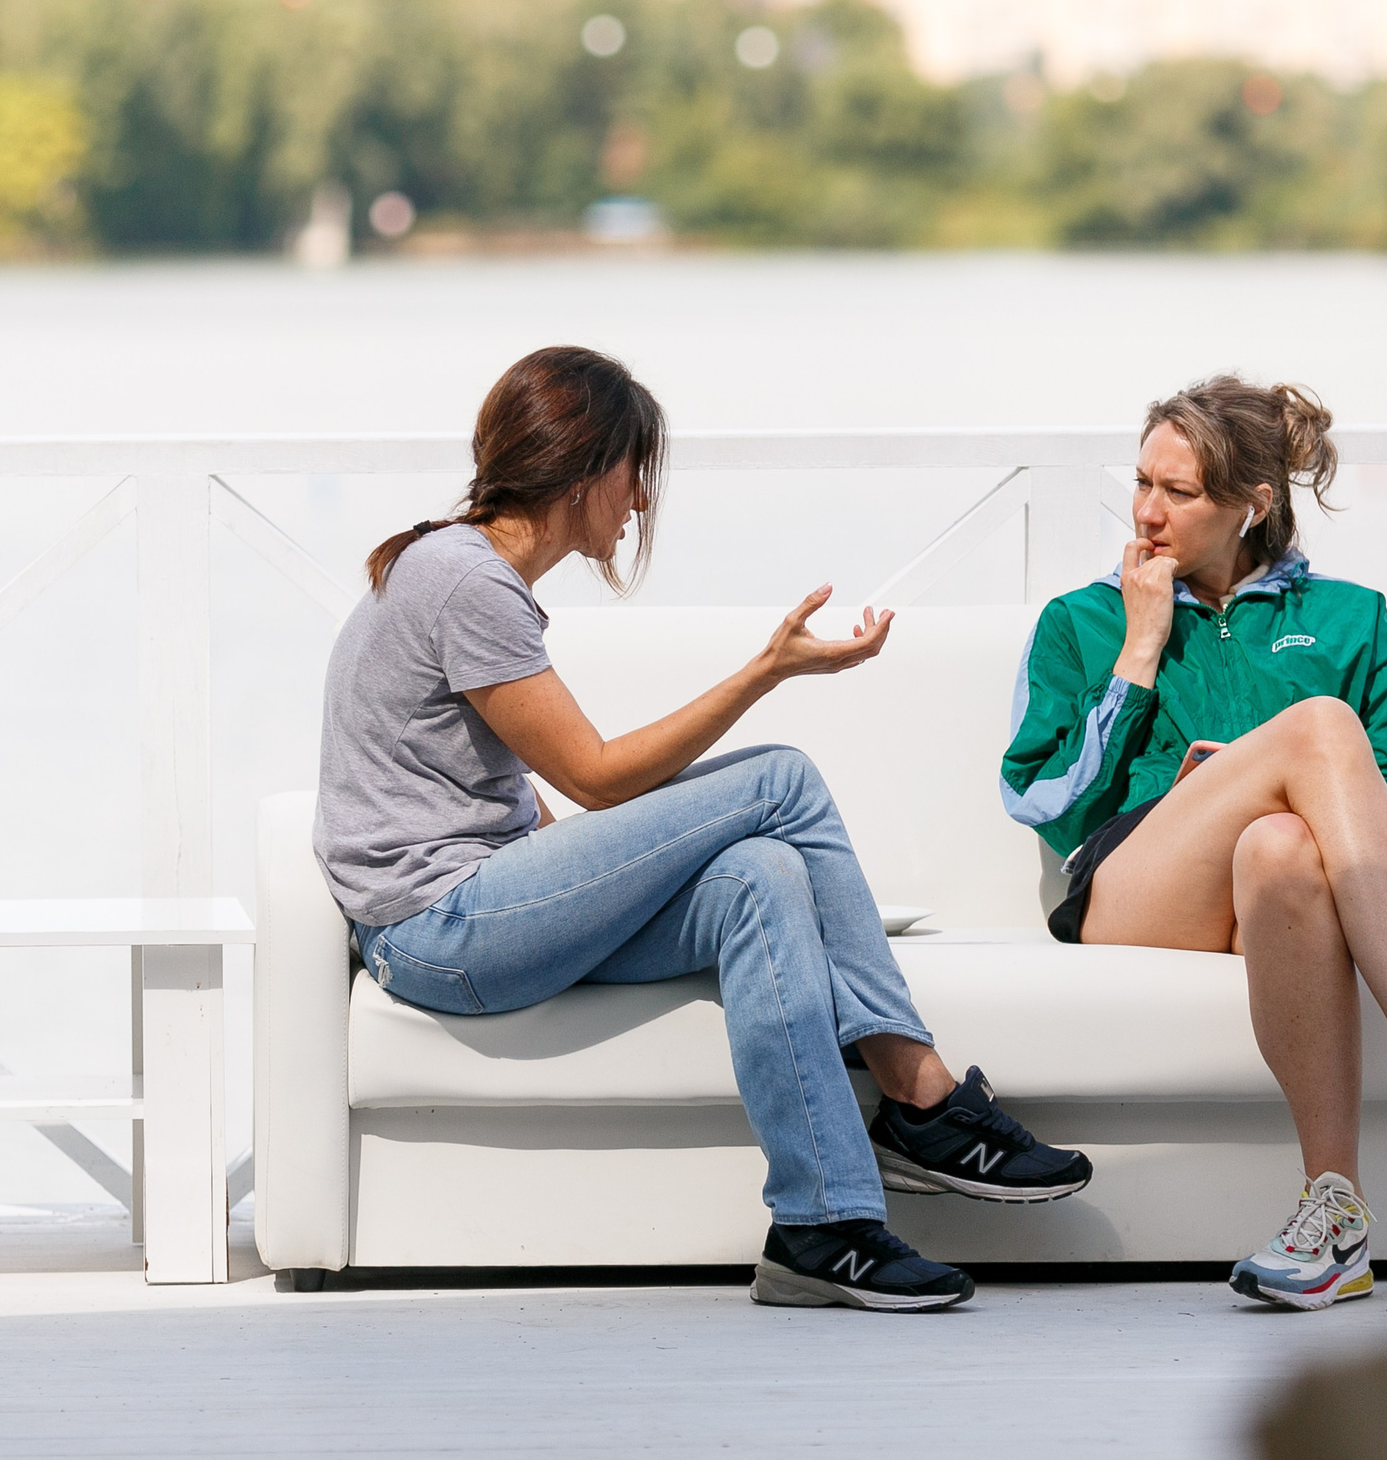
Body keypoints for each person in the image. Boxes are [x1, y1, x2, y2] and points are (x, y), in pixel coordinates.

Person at [317, 345, 1092, 1314]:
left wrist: (586, 873)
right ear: (583, 466)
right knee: (779, 778)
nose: (638, 503)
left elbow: (507, 793)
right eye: (633, 473)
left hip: (481, 905)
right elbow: (593, 777)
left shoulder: (459, 567)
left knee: (762, 873)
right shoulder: (464, 579)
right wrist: (764, 670)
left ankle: (822, 1225)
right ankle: (921, 1096)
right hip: (437, 931)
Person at [999, 374, 1387, 1312]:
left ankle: (1332, 1220)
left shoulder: (1349, 618)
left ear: (1253, 505)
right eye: (1141, 483)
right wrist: (1137, 651)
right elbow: (1042, 798)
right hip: (1144, 882)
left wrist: (1277, 795)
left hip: (1298, 891)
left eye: (1179, 492)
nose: (1147, 512)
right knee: (1321, 726)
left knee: (1282, 846)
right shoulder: (1082, 620)